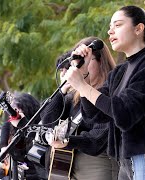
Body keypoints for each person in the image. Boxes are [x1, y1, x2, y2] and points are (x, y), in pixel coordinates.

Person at [65, 5, 145, 180]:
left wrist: (82, 86)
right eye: (110, 27)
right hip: (126, 160)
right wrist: (84, 77)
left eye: (118, 25)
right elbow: (95, 115)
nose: (110, 31)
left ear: (138, 28)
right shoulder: (120, 72)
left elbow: (125, 113)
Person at [41, 36, 118, 180]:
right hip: (68, 167)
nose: (78, 66)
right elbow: (48, 120)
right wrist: (62, 89)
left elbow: (97, 140)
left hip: (97, 166)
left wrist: (67, 141)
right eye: (75, 62)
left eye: (85, 60)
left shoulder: (110, 93)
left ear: (101, 61)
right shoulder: (74, 95)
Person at [0, 92, 46, 180]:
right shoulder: (7, 126)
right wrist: (4, 152)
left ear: (27, 109)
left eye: (18, 109)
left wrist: (24, 124)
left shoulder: (38, 125)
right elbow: (3, 148)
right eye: (13, 109)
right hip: (14, 172)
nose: (16, 112)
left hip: (36, 173)